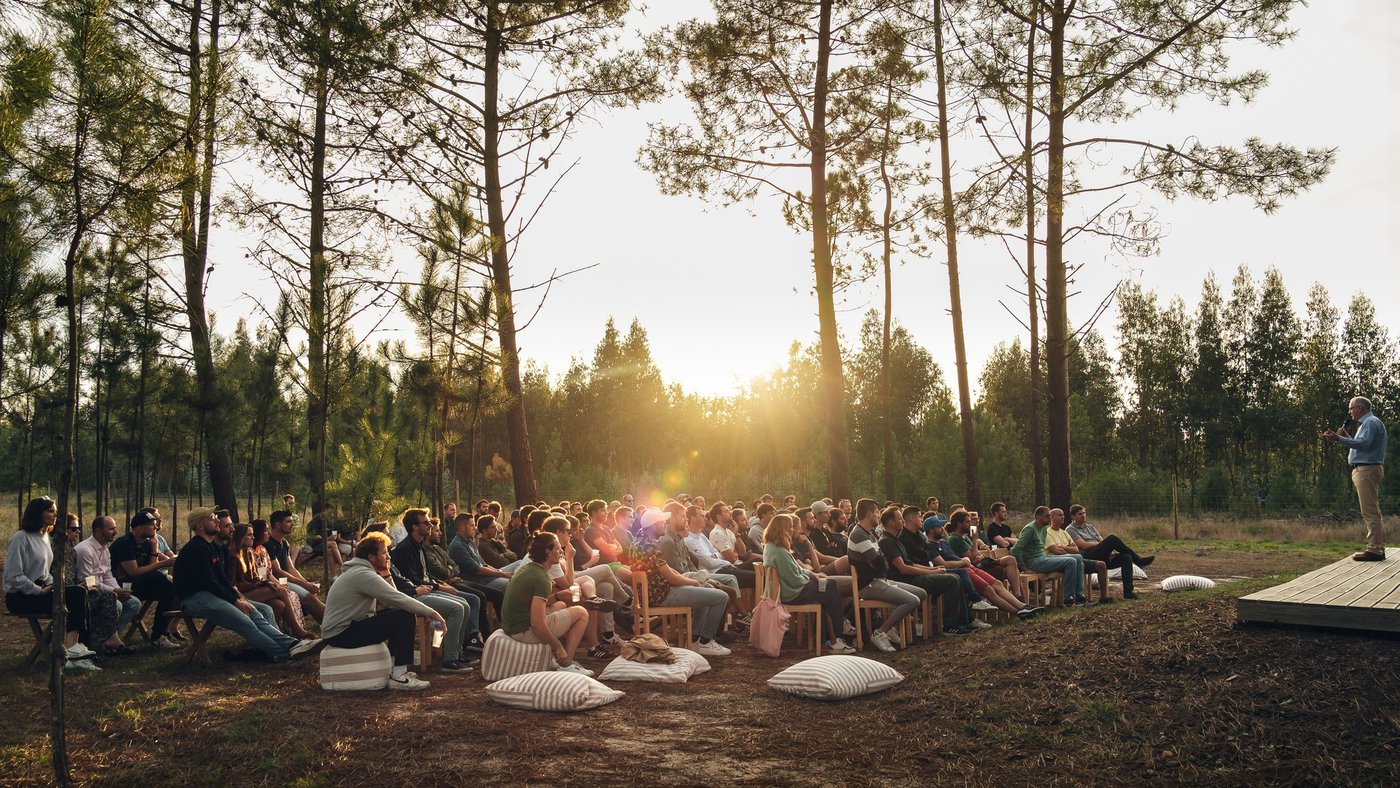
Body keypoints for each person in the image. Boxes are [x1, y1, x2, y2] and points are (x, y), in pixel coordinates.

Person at [172, 507, 321, 662]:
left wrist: (240, 598)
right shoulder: (196, 549)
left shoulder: (213, 547)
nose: (216, 520)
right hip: (194, 598)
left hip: (212, 594)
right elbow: (209, 583)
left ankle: (293, 645)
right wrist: (236, 601)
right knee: (246, 622)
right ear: (200, 526)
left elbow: (223, 580)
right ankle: (285, 654)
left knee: (257, 611)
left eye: (215, 517)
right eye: (211, 518)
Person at [322, 531, 445, 690]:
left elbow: (393, 603)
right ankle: (399, 677)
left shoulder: (362, 571)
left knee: (401, 615)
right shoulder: (363, 574)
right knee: (405, 616)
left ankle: (395, 670)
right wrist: (434, 614)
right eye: (384, 553)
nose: (389, 557)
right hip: (340, 634)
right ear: (371, 557)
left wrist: (386, 574)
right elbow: (398, 599)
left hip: (347, 627)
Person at [4, 499, 101, 670]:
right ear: (37, 513)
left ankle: (80, 651)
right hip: (20, 596)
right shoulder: (21, 538)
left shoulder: (44, 538)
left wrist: (55, 585)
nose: (55, 514)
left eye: (54, 511)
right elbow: (13, 577)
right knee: (75, 595)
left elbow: (44, 573)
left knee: (78, 592)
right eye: (50, 511)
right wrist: (39, 591)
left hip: (41, 589)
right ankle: (71, 649)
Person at [627, 509, 731, 656]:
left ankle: (695, 639)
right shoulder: (649, 546)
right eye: (662, 522)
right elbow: (672, 578)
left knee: (706, 587)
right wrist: (693, 582)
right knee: (721, 597)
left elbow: (668, 570)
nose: (665, 523)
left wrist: (693, 581)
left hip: (656, 592)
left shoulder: (641, 541)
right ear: (652, 525)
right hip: (662, 595)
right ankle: (706, 641)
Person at [389, 509, 475, 670]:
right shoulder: (404, 549)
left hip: (427, 589)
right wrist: (438, 586)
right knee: (456, 608)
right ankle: (449, 660)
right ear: (414, 526)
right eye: (426, 523)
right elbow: (414, 581)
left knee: (465, 603)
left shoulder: (419, 546)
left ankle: (456, 652)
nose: (429, 525)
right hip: (414, 595)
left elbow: (427, 575)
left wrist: (441, 585)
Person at [500, 532, 593, 675]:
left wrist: (557, 596)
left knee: (561, 604)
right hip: (522, 630)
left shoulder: (531, 568)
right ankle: (566, 663)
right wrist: (557, 646)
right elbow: (537, 623)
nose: (561, 551)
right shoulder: (541, 578)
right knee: (581, 613)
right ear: (547, 552)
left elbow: (531, 603)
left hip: (513, 623)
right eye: (557, 548)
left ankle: (554, 658)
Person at [761, 512, 855, 654]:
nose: (792, 530)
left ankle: (831, 638)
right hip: (792, 593)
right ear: (782, 530)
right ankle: (836, 635)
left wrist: (812, 574)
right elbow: (794, 578)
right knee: (830, 587)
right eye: (790, 527)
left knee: (826, 592)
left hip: (788, 589)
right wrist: (812, 578)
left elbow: (796, 570)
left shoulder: (771, 547)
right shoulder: (780, 552)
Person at [847, 499, 929, 652]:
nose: (879, 516)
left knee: (921, 593)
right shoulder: (858, 534)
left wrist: (879, 561)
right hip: (868, 585)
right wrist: (879, 560)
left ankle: (892, 627)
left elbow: (880, 561)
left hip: (880, 580)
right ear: (869, 514)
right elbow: (880, 562)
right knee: (912, 600)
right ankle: (880, 632)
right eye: (877, 512)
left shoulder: (869, 534)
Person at [1322, 396, 1388, 561]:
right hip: (1367, 469)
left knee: (1370, 512)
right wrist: (1347, 438)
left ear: (1360, 408)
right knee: (1372, 510)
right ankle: (1377, 548)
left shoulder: (1370, 423)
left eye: (1351, 408)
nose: (1349, 412)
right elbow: (1363, 445)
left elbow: (1364, 444)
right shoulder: (1369, 423)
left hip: (1366, 470)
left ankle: (1375, 550)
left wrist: (1338, 438)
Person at [110, 510, 181, 649]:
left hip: (135, 584)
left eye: (155, 524)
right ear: (138, 528)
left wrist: (154, 550)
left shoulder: (147, 543)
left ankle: (159, 635)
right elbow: (134, 572)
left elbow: (150, 569)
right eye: (151, 525)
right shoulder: (125, 543)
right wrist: (161, 564)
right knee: (162, 580)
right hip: (119, 585)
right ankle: (158, 636)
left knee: (170, 591)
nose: (155, 527)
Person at [229, 524, 314, 639]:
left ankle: (275, 637)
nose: (268, 533)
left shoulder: (280, 545)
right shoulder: (236, 556)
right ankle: (297, 630)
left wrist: (304, 583)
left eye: (253, 535)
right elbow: (277, 572)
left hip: (274, 582)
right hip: (244, 592)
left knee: (279, 605)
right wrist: (268, 583)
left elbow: (288, 569)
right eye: (249, 535)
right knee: (283, 591)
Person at [73, 515, 142, 654]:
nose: (115, 532)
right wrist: (113, 591)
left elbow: (107, 574)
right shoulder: (85, 550)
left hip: (103, 589)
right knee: (117, 605)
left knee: (134, 603)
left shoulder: (105, 549)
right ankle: (107, 640)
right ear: (98, 531)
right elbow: (88, 581)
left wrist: (117, 589)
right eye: (111, 529)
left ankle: (107, 639)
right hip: (87, 592)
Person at [1065, 505, 1152, 600]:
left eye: (1084, 513)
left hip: (1101, 554)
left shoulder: (1090, 527)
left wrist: (1110, 552)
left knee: (1126, 557)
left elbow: (1102, 541)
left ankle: (1128, 592)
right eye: (1079, 514)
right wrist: (1099, 544)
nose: (1083, 515)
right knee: (1112, 538)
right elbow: (1083, 545)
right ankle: (1138, 560)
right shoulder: (1070, 529)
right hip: (1088, 556)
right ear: (1073, 516)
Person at [1011, 506, 1088, 607]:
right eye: (1047, 516)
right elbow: (1016, 550)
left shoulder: (1043, 529)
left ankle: (1079, 596)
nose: (1050, 518)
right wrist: (1024, 568)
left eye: (1050, 516)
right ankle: (1068, 599)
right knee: (1071, 561)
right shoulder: (1030, 529)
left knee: (1078, 557)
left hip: (1043, 557)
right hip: (1033, 562)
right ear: (1038, 517)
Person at [264, 510, 326, 623]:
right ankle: (335, 624)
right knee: (310, 599)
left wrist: (307, 583)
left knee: (311, 597)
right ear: (278, 524)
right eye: (288, 522)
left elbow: (290, 568)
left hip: (284, 579)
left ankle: (329, 625)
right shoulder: (268, 544)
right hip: (276, 581)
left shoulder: (284, 543)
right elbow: (277, 571)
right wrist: (304, 585)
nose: (292, 525)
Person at [1044, 508, 1110, 603]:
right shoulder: (1047, 532)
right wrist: (1068, 549)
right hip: (1056, 561)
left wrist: (1063, 547)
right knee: (1077, 559)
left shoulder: (1064, 533)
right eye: (1059, 515)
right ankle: (1071, 597)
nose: (1062, 517)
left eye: (1063, 515)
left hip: (1073, 559)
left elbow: (1075, 549)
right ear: (1052, 517)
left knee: (1099, 563)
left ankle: (1086, 597)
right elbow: (1056, 551)